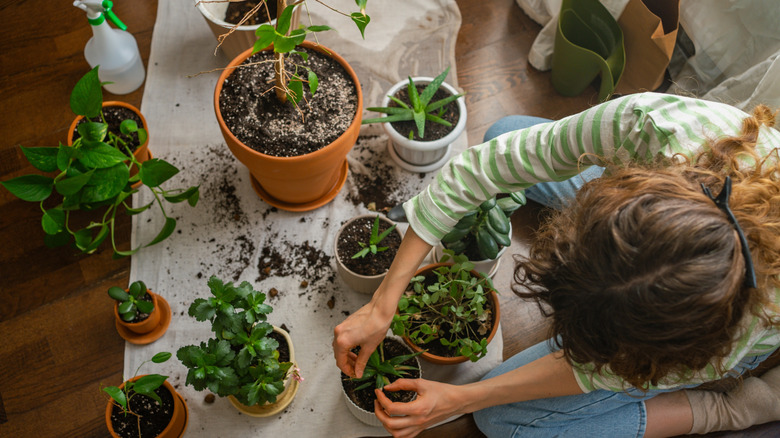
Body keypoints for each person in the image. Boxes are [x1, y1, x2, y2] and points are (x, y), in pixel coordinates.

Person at [333, 92, 780, 438]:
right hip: (660, 181)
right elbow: (484, 167)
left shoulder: (726, 331)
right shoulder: (653, 126)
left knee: (500, 422)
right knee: (503, 133)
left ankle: (729, 409)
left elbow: (597, 372)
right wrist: (384, 300)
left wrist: (463, 399)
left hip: (729, 338)